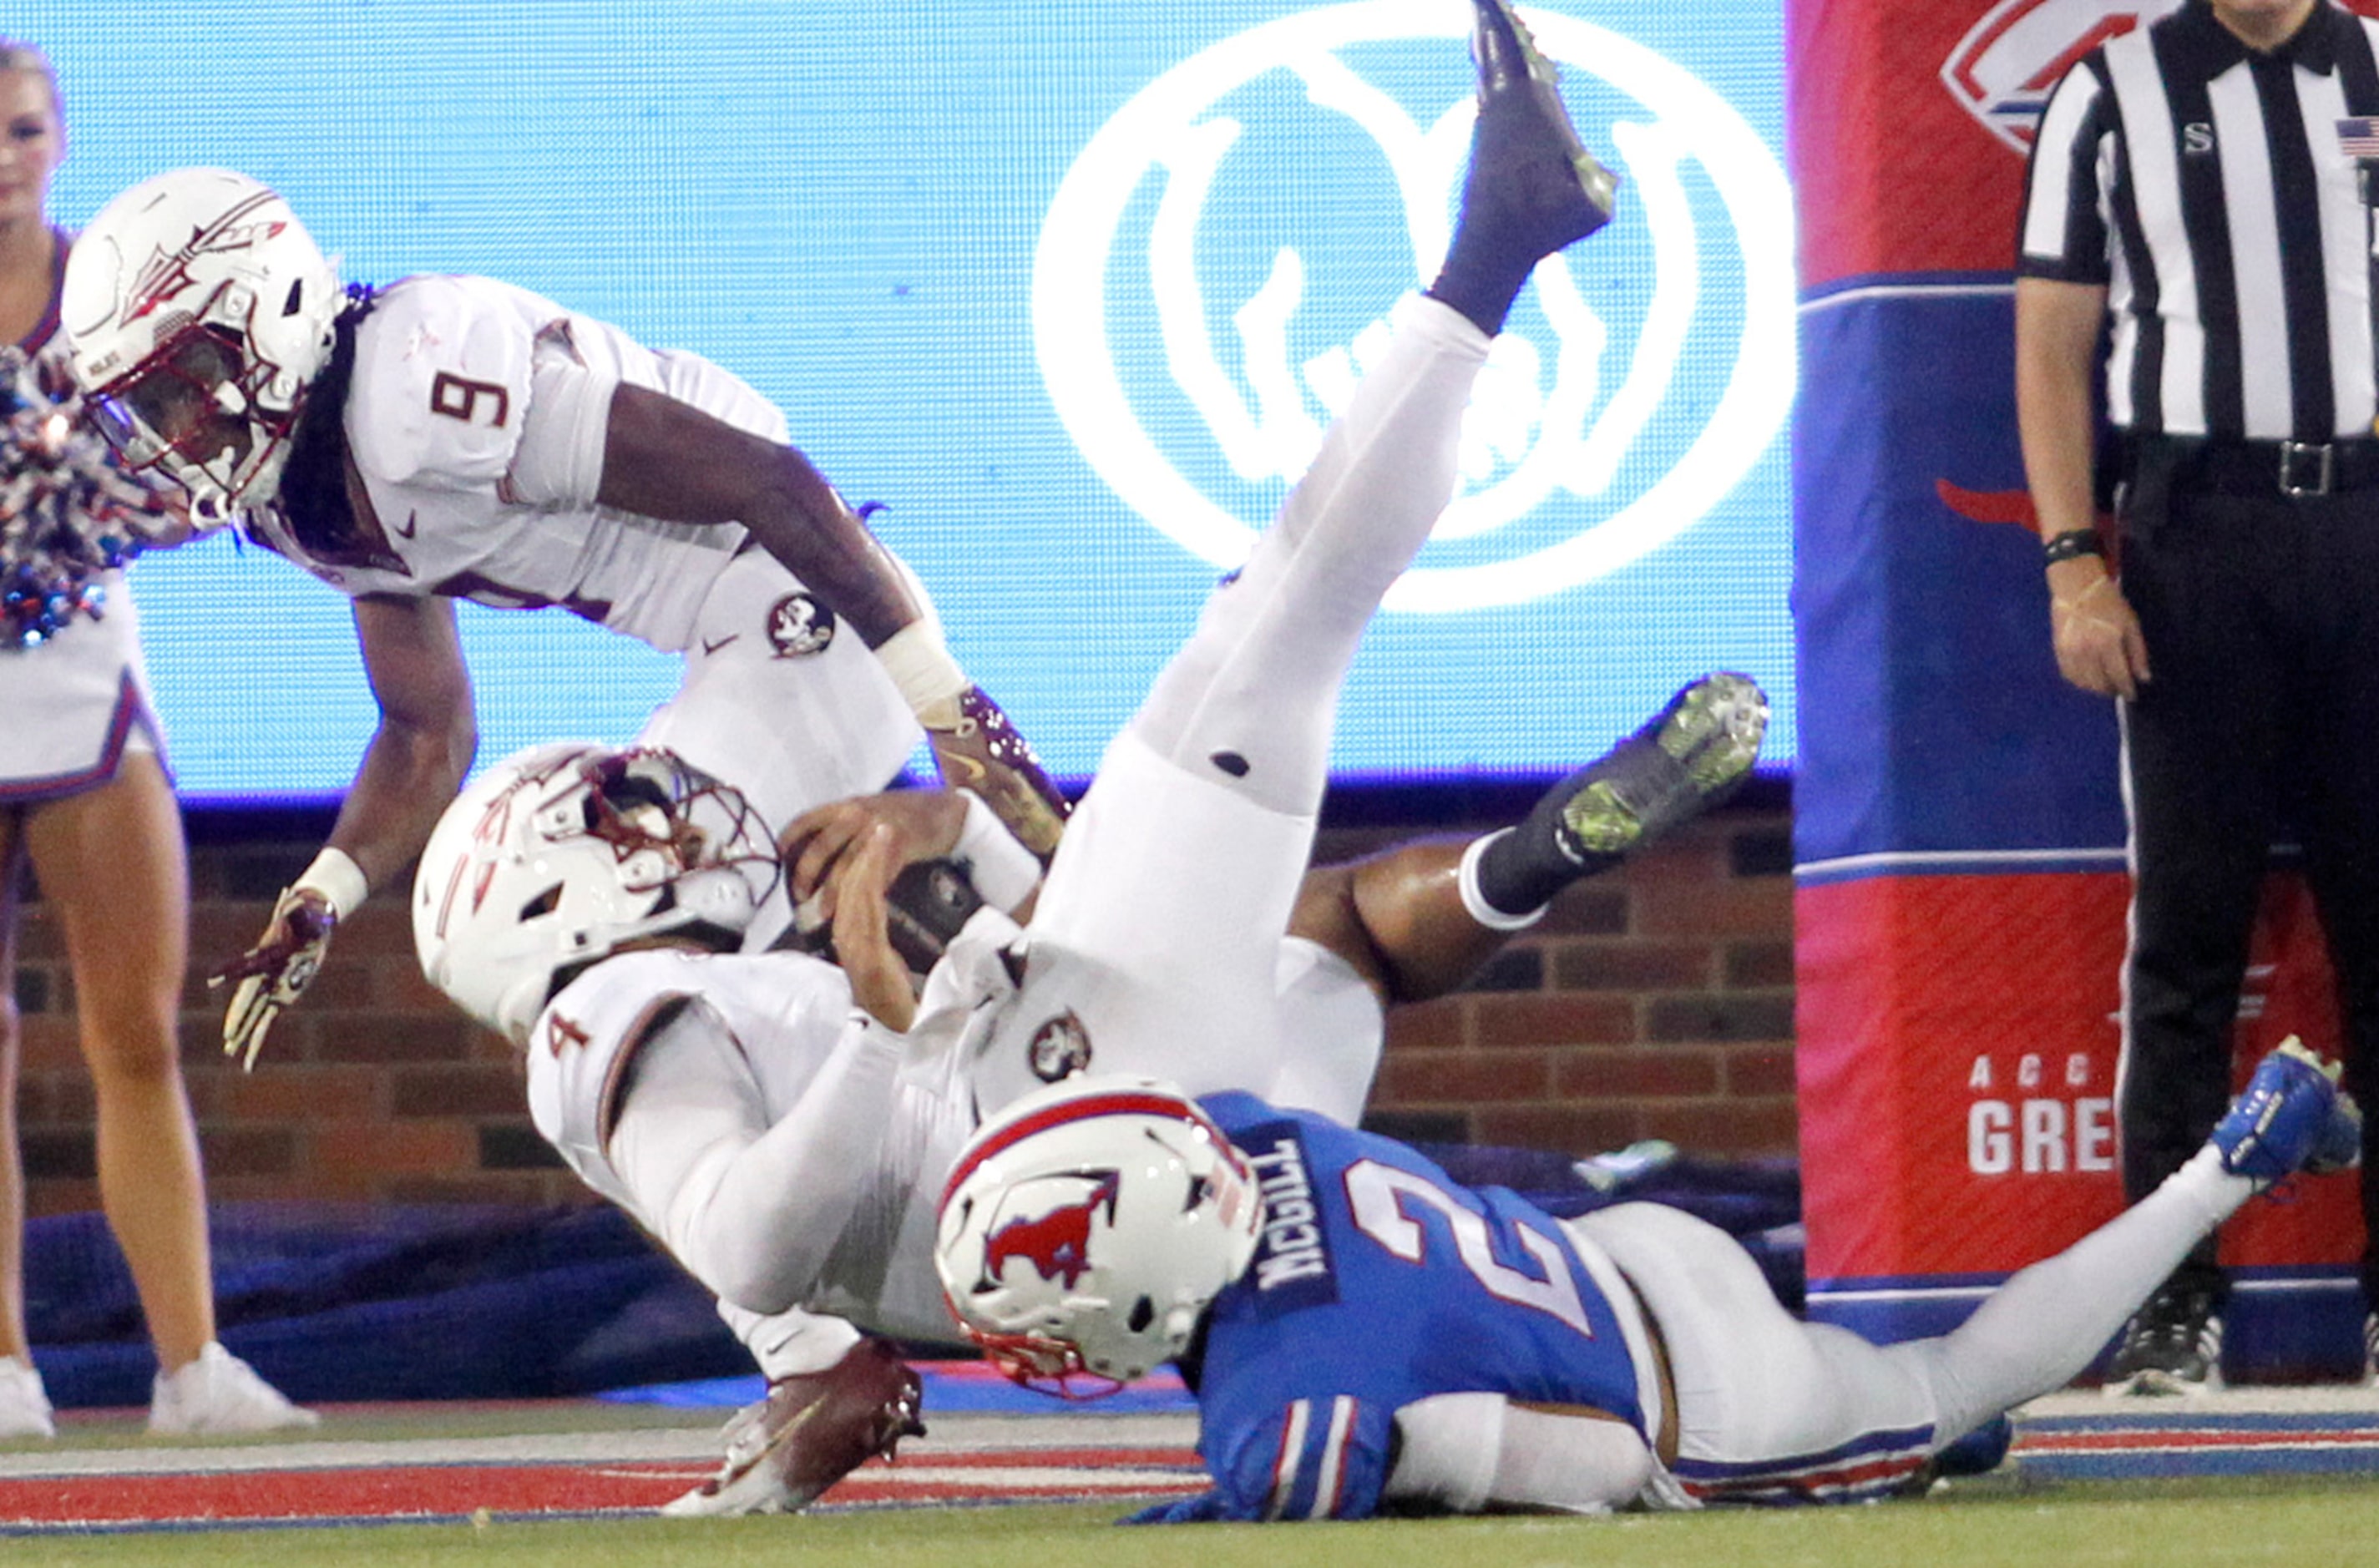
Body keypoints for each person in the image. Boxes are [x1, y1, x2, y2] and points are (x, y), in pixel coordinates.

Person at [406, 0, 1764, 1511]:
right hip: (1070, 1141)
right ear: (537, 897)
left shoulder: (730, 981)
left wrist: (940, 836)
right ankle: (1488, 255)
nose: (660, 810)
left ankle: (1527, 901)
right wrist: (891, 1024)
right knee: (1271, 628)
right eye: (616, 815)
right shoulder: (603, 1025)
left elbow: (1059, 900)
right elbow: (749, 1236)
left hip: (1162, 1151)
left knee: (1331, 945)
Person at [53, 163, 1068, 1072]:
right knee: (637, 965)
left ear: (268, 310)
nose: (177, 433)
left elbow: (770, 480)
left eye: (186, 386)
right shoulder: (296, 501)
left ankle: (1006, 1046)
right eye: (148, 411)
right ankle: (971, 1044)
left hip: (807, 606)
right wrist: (326, 891)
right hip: (742, 634)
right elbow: (426, 731)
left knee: (609, 939)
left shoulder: (419, 395)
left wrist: (946, 705)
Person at [934, 1045, 2361, 1519]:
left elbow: (1604, 1465)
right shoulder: (1255, 1132)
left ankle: (2231, 1160)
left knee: (1948, 1379)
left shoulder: (1285, 1407)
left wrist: (1357, 1478)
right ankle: (1893, 1434)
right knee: (1897, 1403)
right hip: (1630, 1251)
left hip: (1703, 1404)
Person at [2014, 0, 2379, 1393]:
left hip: (2358, 516)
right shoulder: (2105, 90)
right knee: (2182, 944)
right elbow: (2050, 341)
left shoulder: (2366, 69)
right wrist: (2069, 567)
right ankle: (2169, 1303)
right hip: (2192, 532)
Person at [0, 40, 313, 1439]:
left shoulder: (108, 292)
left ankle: (193, 1368)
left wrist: (98, 504)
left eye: (21, 130)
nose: (3, 156)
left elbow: (206, 463)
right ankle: (4, 1370)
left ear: (58, 139)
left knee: (135, 1028)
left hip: (79, 667)